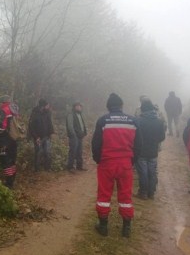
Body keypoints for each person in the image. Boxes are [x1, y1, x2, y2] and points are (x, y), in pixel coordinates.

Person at [91, 93, 142, 238]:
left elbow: (96, 143)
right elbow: (139, 144)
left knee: (103, 194)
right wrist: (132, 161)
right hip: (125, 163)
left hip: (106, 163)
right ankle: (126, 228)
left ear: (108, 106)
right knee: (125, 194)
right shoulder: (133, 121)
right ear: (121, 105)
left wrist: (98, 159)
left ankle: (103, 226)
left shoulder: (103, 120)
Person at [135, 99, 165, 200]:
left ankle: (143, 192)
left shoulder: (138, 121)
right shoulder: (159, 121)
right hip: (153, 151)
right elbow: (162, 137)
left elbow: (134, 136)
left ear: (142, 110)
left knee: (143, 172)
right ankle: (151, 193)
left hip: (141, 151)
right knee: (152, 171)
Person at [0, 95, 19, 189]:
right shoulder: (15, 109)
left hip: (5, 139)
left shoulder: (4, 109)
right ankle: (12, 180)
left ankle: (9, 183)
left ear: (3, 102)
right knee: (12, 159)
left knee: (5, 159)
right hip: (14, 138)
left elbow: (2, 126)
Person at [28, 99, 54, 171]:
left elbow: (50, 124)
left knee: (47, 152)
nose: (48, 106)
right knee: (38, 152)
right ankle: (37, 169)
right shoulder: (35, 113)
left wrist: (51, 133)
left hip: (46, 136)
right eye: (47, 105)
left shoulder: (47, 113)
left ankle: (47, 168)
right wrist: (36, 137)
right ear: (43, 106)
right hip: (38, 138)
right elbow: (31, 126)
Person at [66, 102, 87, 173]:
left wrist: (84, 133)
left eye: (80, 106)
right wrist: (74, 135)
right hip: (74, 137)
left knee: (79, 151)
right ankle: (70, 167)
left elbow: (82, 125)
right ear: (74, 107)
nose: (79, 108)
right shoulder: (71, 114)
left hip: (80, 136)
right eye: (77, 106)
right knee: (73, 151)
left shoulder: (80, 115)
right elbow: (70, 126)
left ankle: (79, 166)